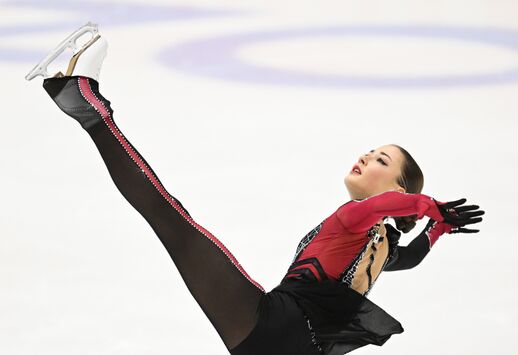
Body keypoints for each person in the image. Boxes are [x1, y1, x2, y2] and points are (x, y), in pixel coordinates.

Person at [27, 24, 484, 355]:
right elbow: (411, 255)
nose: (366, 158)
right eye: (370, 151)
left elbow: (390, 207)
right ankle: (81, 97)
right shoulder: (378, 243)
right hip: (292, 347)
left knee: (173, 221)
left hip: (273, 325)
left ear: (398, 188)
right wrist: (436, 227)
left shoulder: (357, 219)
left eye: (381, 161)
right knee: (173, 221)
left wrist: (428, 208)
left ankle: (85, 99)